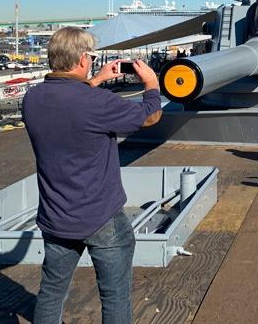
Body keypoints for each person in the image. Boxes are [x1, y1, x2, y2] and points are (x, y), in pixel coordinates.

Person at [23, 27, 162, 323]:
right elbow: (150, 115)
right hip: (102, 217)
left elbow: (68, 105)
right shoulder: (97, 104)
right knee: (114, 296)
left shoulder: (31, 100)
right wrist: (151, 84)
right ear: (84, 58)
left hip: (55, 216)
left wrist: (96, 81)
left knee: (51, 293)